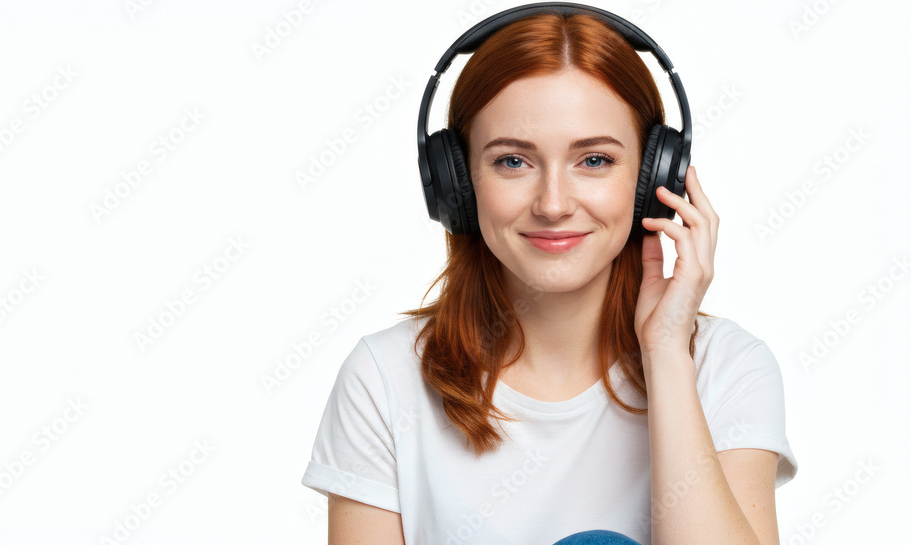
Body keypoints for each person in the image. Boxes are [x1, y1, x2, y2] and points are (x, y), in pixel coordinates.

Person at [301, 7, 798, 545]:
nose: (554, 204)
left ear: (654, 176)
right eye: (513, 162)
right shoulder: (385, 379)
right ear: (456, 183)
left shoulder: (726, 368)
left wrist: (666, 355)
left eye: (595, 161)